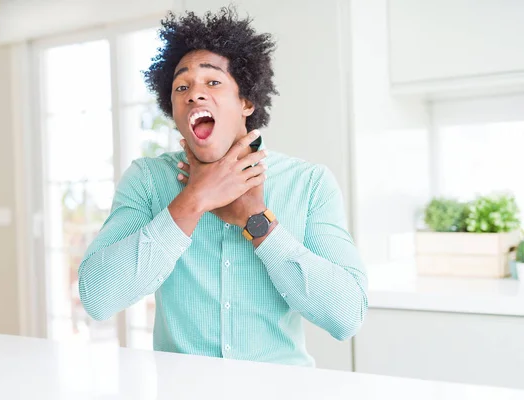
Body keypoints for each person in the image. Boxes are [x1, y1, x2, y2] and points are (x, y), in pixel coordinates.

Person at [79, 7, 368, 367]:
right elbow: (98, 297)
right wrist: (193, 200)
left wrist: (257, 221)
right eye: (181, 87)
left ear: (246, 101)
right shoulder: (147, 181)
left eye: (212, 82)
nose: (194, 94)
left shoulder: (308, 184)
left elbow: (347, 316)